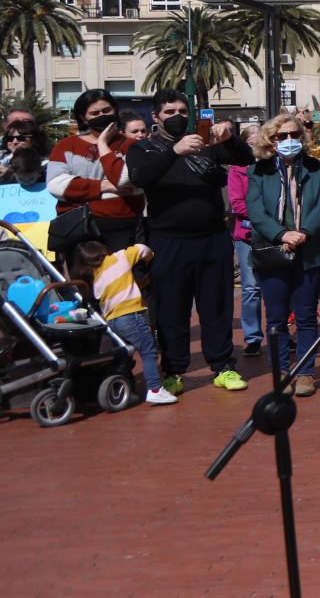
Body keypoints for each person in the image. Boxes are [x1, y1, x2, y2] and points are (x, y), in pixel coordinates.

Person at [126, 90, 253, 396]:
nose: (177, 116)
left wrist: (230, 137)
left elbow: (245, 158)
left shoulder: (205, 145)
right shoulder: (143, 149)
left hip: (212, 239)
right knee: (172, 309)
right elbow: (141, 177)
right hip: (168, 242)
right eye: (169, 112)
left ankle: (223, 366)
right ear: (155, 117)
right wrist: (175, 151)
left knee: (216, 307)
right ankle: (174, 370)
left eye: (183, 110)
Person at [246, 114, 320, 398]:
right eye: (281, 136)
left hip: (310, 252)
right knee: (276, 319)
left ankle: (306, 371)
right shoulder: (258, 171)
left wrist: (303, 232)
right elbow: (255, 210)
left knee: (307, 316)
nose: (289, 141)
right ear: (270, 140)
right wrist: (282, 235)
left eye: (294, 135)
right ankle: (281, 372)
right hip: (273, 253)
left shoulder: (316, 167)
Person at [68, 239, 172, 405]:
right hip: (131, 316)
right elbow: (141, 249)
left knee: (123, 354)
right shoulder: (119, 258)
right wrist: (149, 257)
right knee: (148, 352)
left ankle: (122, 387)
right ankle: (155, 389)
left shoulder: (95, 276)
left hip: (112, 321)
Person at [48, 89, 143, 252]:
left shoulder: (131, 145)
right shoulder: (66, 146)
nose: (102, 116)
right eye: (95, 113)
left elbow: (125, 180)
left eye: (107, 110)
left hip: (122, 226)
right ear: (83, 118)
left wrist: (102, 145)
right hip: (78, 228)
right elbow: (56, 185)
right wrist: (104, 186)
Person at [227, 146, 264, 359]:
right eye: (249, 144)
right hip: (247, 236)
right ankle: (252, 338)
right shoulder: (237, 170)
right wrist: (263, 217)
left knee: (278, 285)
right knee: (251, 288)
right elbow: (237, 204)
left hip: (274, 236)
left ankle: (282, 334)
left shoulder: (271, 167)